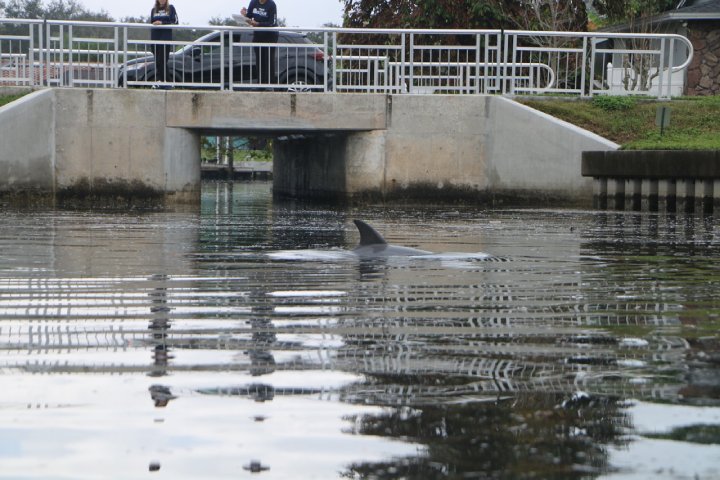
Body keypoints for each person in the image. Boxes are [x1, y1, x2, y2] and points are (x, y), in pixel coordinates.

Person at [241, 0, 278, 88]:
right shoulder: (253, 2)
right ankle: (260, 84)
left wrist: (258, 24)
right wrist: (244, 15)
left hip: (270, 36)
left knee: (268, 60)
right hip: (258, 35)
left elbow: (272, 22)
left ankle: (270, 85)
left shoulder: (271, 4)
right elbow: (249, 16)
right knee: (259, 61)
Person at [149, 0, 178, 83]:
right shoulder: (153, 10)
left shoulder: (171, 8)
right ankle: (162, 81)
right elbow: (151, 22)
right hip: (155, 39)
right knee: (158, 61)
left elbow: (175, 22)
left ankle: (167, 82)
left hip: (165, 38)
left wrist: (162, 23)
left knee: (162, 61)